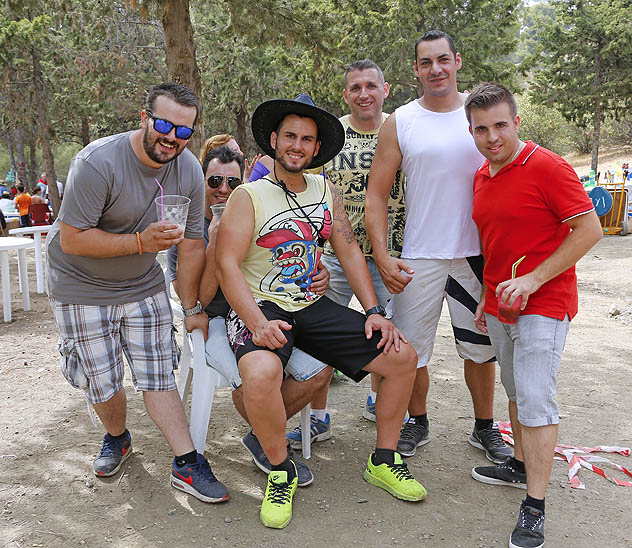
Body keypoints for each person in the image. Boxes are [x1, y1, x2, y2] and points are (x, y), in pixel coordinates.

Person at [216, 93, 425, 529]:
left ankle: (384, 460)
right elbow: (227, 264)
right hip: (262, 304)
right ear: (274, 140)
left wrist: (373, 310)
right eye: (289, 136)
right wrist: (255, 321)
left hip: (311, 303)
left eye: (307, 139)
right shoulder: (248, 195)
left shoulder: (324, 190)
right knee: (260, 373)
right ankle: (279, 470)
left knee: (402, 356)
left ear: (316, 149)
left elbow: (347, 249)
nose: (297, 145)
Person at [45, 82, 229, 504]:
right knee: (104, 383)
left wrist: (192, 306)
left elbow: (193, 245)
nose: (173, 138)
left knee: (158, 374)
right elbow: (72, 239)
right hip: (80, 285)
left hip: (141, 284)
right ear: (145, 118)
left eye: (184, 131)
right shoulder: (98, 162)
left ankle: (187, 463)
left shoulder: (188, 171)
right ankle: (117, 438)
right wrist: (141, 243)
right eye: (164, 124)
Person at [465, 82, 602, 548]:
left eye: (500, 125)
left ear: (516, 122)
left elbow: (589, 230)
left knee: (536, 399)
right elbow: (495, 241)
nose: (492, 136)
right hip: (502, 304)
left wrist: (533, 280)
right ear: (472, 131)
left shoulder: (547, 166)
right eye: (481, 129)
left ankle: (534, 506)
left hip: (544, 303)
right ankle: (518, 464)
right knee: (515, 389)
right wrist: (488, 293)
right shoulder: (483, 175)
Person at [366, 29, 511, 463]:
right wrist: (381, 253)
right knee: (410, 351)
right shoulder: (402, 121)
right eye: (426, 62)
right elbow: (377, 193)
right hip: (420, 254)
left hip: (476, 254)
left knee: (481, 350)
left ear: (457, 61)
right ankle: (418, 421)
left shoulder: (480, 116)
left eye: (442, 60)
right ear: (415, 70)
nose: (435, 69)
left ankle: (484, 428)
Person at [167, 144, 332, 487]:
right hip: (211, 319)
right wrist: (215, 244)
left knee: (322, 369)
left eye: (232, 181)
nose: (223, 190)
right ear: (202, 180)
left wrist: (321, 272)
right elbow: (198, 299)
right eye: (214, 180)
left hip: (261, 310)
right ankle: (274, 445)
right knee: (255, 378)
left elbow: (286, 264)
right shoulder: (190, 229)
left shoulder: (254, 212)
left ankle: (261, 434)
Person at [285, 59, 406, 451]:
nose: (364, 94)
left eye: (371, 85)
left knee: (389, 334)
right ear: (345, 94)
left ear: (386, 90)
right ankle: (318, 419)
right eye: (355, 87)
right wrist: (314, 252)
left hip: (393, 251)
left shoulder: (401, 130)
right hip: (334, 256)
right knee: (319, 337)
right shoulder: (331, 137)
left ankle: (379, 404)